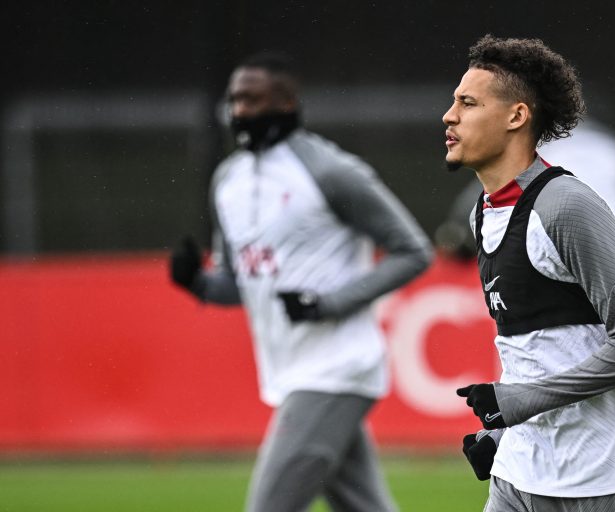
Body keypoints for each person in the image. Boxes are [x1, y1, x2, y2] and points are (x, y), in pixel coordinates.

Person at [169, 53, 432, 512]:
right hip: (292, 371)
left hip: (337, 367)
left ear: (287, 101)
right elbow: (242, 284)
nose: (239, 110)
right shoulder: (227, 181)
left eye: (252, 99)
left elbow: (414, 252)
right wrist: (197, 283)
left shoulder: (331, 171)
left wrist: (327, 303)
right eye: (234, 99)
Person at [443, 35, 615, 511]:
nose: (449, 116)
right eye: (454, 102)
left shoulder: (567, 206)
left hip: (609, 482)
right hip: (519, 476)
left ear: (516, 116)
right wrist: (505, 433)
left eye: (468, 103)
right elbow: (538, 356)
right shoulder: (484, 213)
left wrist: (519, 402)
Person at [435, 118, 615, 273]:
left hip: (563, 262)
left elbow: (482, 197)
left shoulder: (536, 147)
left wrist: (456, 237)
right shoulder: (611, 148)